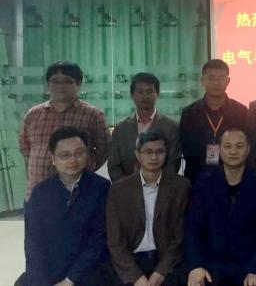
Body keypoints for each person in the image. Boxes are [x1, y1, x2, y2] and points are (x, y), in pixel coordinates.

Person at [23, 126, 111, 286]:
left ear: (87, 154)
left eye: (79, 153)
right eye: (65, 155)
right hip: (51, 271)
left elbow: (99, 240)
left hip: (88, 271)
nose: (73, 160)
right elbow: (33, 243)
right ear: (53, 159)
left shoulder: (101, 188)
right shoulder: (40, 193)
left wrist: (70, 280)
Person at [186, 129, 256, 286]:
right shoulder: (204, 183)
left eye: (239, 146)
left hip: (248, 267)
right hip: (211, 265)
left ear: (248, 149)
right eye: (227, 146)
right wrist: (195, 266)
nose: (233, 151)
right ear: (219, 149)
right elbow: (193, 228)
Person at [107, 130, 190, 286]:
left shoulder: (181, 187)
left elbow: (179, 238)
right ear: (137, 155)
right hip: (131, 262)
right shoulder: (119, 190)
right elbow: (115, 242)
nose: (154, 157)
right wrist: (137, 278)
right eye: (148, 152)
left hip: (166, 261)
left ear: (166, 154)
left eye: (159, 151)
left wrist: (159, 273)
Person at [19, 60, 111, 201]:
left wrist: (84, 166)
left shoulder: (93, 115)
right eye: (55, 81)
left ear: (78, 84)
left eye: (67, 81)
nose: (60, 86)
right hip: (37, 193)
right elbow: (25, 149)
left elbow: (104, 150)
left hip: (78, 194)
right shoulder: (33, 114)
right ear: (48, 84)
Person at [179, 59, 247, 185]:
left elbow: (245, 147)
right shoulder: (189, 113)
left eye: (221, 78)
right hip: (197, 178)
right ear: (202, 81)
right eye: (211, 78)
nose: (216, 83)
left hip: (232, 179)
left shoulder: (241, 112)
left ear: (228, 81)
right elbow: (185, 148)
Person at [108, 72, 181, 182]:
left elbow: (173, 163)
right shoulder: (120, 129)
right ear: (132, 95)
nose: (145, 96)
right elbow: (114, 166)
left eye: (149, 91)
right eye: (140, 91)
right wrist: (126, 187)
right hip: (128, 188)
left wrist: (157, 187)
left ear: (157, 94)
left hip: (162, 188)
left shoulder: (171, 127)